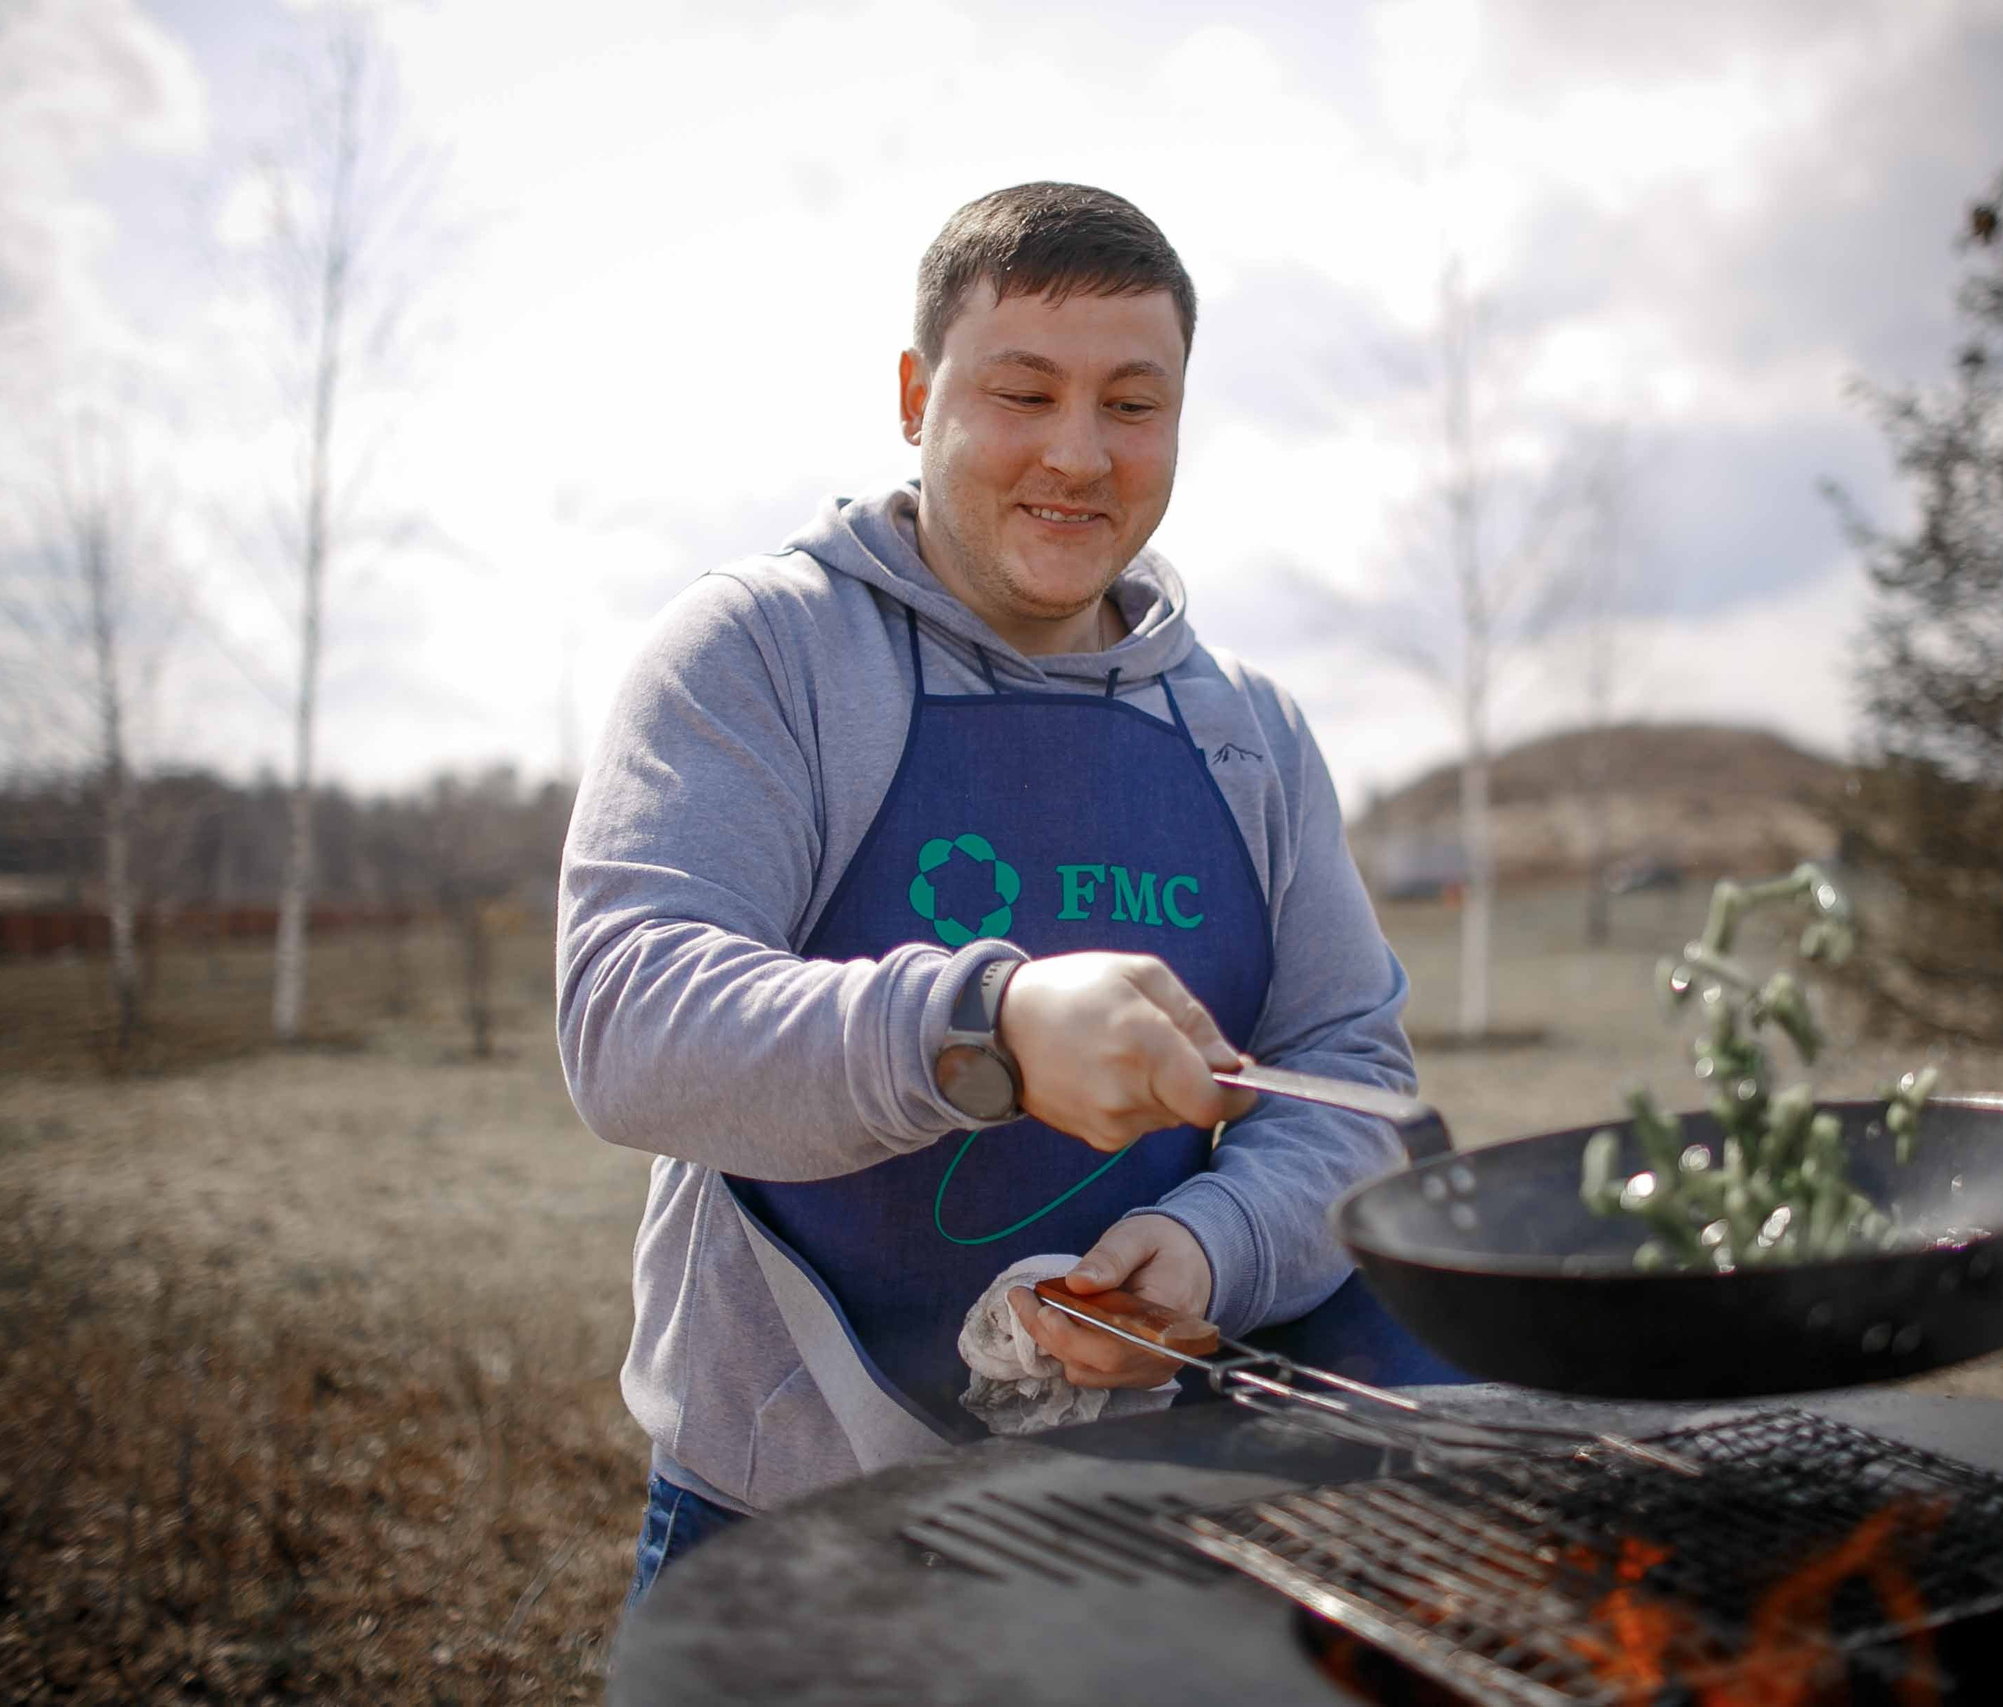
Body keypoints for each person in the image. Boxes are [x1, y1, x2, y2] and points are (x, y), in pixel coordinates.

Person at [556, 181, 1459, 1612]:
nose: (1078, 455)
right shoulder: (760, 653)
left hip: (1147, 1543)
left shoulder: (1249, 735)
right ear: (919, 394)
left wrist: (1210, 1253)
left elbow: (1348, 1081)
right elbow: (629, 1025)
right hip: (789, 1549)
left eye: (1133, 403)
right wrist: (989, 1026)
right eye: (1023, 392)